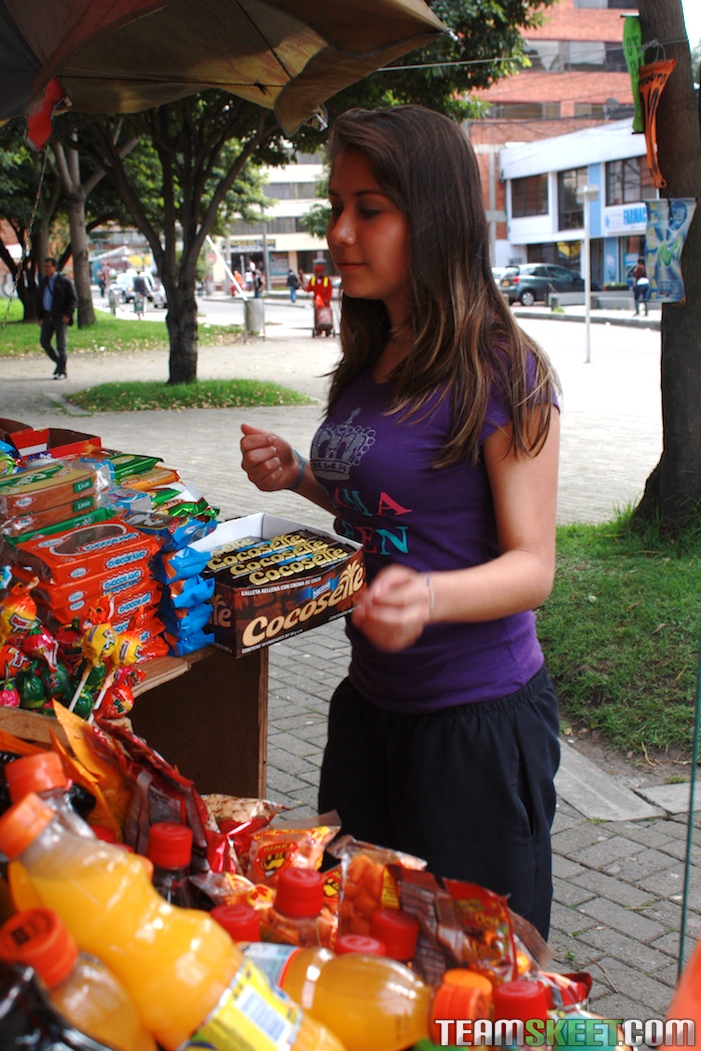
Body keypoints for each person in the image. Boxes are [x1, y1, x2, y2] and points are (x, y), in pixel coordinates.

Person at [240, 105, 561, 939]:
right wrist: (299, 473)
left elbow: (533, 566)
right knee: (359, 945)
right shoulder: (372, 351)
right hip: (368, 710)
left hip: (474, 729)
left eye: (370, 209)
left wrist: (428, 596)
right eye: (335, 207)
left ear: (435, 217)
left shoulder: (504, 370)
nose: (339, 232)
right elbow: (386, 509)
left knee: (473, 968)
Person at [36, 256, 77, 380]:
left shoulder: (64, 281)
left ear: (55, 267)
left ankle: (62, 371)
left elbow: (73, 300)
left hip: (60, 316)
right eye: (44, 266)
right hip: (47, 315)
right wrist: (39, 316)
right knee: (44, 341)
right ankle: (60, 363)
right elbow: (40, 299)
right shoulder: (43, 281)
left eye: (48, 266)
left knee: (61, 344)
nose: (46, 269)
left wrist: (67, 314)